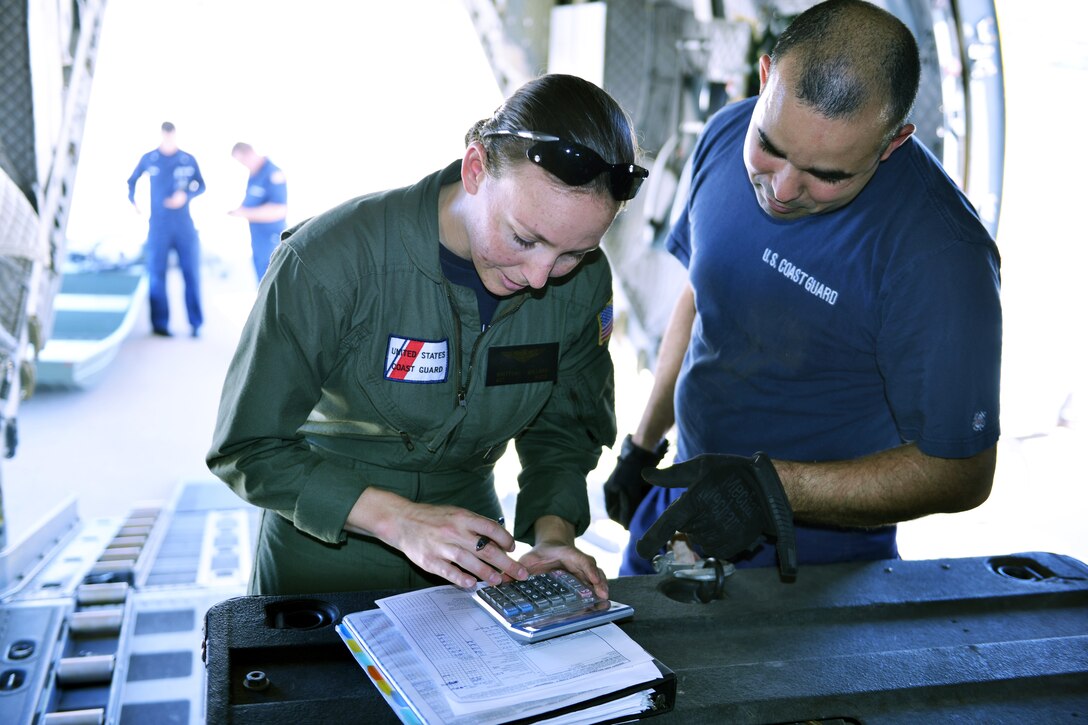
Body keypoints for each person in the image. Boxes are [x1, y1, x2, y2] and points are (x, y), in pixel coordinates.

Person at [207, 73, 648, 597]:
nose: (539, 277)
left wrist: (554, 534)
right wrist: (398, 519)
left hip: (473, 554)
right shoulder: (332, 260)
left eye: (572, 253)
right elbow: (247, 448)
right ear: (475, 169)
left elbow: (564, 429)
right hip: (323, 554)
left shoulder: (583, 284)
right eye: (523, 238)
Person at [606, 0, 1002, 576]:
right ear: (766, 78)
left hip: (817, 568)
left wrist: (770, 492)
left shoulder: (941, 258)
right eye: (771, 146)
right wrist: (642, 442)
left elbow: (961, 471)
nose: (784, 189)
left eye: (828, 175)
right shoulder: (722, 139)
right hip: (678, 511)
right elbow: (701, 298)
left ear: (892, 142)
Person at [127, 121, 206, 337]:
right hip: (158, 225)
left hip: (184, 226)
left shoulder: (187, 159)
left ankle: (195, 324)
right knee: (156, 274)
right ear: (162, 134)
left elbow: (202, 185)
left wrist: (186, 196)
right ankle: (160, 325)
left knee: (191, 273)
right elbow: (131, 181)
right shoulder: (150, 158)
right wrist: (134, 202)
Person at [228, 142, 288, 281]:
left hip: (272, 240)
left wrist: (244, 213)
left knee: (275, 282)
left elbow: (279, 210)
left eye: (242, 160)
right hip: (258, 241)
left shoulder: (273, 173)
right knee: (262, 284)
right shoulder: (254, 174)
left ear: (249, 154)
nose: (243, 164)